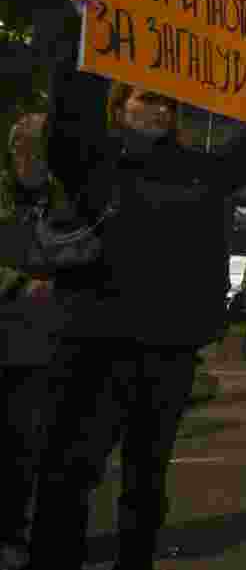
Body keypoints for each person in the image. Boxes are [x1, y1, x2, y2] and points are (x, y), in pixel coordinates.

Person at [26, 0, 246, 570]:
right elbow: (67, 115)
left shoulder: (200, 169)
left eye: (167, 103)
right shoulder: (93, 160)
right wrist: (79, 25)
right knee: (69, 469)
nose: (157, 109)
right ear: (120, 104)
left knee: (146, 478)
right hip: (94, 343)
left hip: (166, 348)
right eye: (145, 98)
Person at [0, 112, 66, 570]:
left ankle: (12, 534)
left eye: (41, 148)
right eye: (26, 146)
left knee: (24, 447)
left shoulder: (63, 201)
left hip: (38, 345)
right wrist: (18, 284)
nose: (34, 156)